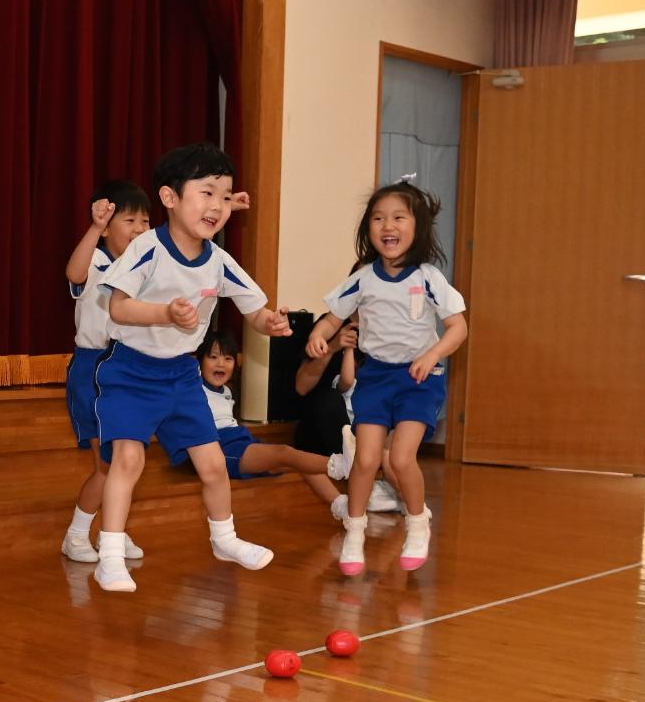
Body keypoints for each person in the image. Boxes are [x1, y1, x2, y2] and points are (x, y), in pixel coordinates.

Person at [91, 142, 289, 593]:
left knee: (215, 463)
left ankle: (225, 539)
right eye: (206, 192)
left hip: (181, 375)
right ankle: (111, 555)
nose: (217, 205)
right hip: (131, 372)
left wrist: (270, 322)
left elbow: (253, 307)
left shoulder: (218, 261)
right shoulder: (147, 247)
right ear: (170, 198)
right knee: (128, 457)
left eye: (225, 195)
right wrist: (166, 314)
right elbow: (118, 309)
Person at [306, 181, 469, 574]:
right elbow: (333, 315)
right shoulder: (364, 277)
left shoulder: (428, 276)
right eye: (378, 219)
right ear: (369, 229)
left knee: (399, 457)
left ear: (418, 228)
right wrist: (318, 334)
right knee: (364, 460)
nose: (387, 226)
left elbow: (457, 327)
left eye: (398, 217)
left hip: (419, 378)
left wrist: (432, 355)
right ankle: (355, 532)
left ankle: (417, 523)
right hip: (376, 377)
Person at [61, 180, 151, 565]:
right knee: (109, 463)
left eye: (146, 221)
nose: (139, 229)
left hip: (128, 368)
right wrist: (94, 229)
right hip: (93, 368)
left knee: (128, 460)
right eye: (129, 219)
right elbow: (75, 272)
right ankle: (78, 534)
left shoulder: (147, 269)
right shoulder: (98, 261)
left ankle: (113, 529)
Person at [179, 334, 353, 518]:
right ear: (200, 361)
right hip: (220, 447)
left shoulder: (227, 391)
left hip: (240, 439)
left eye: (228, 358)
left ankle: (340, 504)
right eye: (213, 357)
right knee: (285, 453)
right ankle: (342, 465)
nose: (221, 363)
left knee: (296, 459)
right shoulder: (194, 386)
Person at [291, 318, 403, 514]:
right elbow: (302, 387)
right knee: (331, 400)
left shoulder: (383, 328)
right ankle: (364, 485)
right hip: (321, 430)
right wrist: (334, 347)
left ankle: (400, 495)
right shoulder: (329, 327)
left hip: (362, 427)